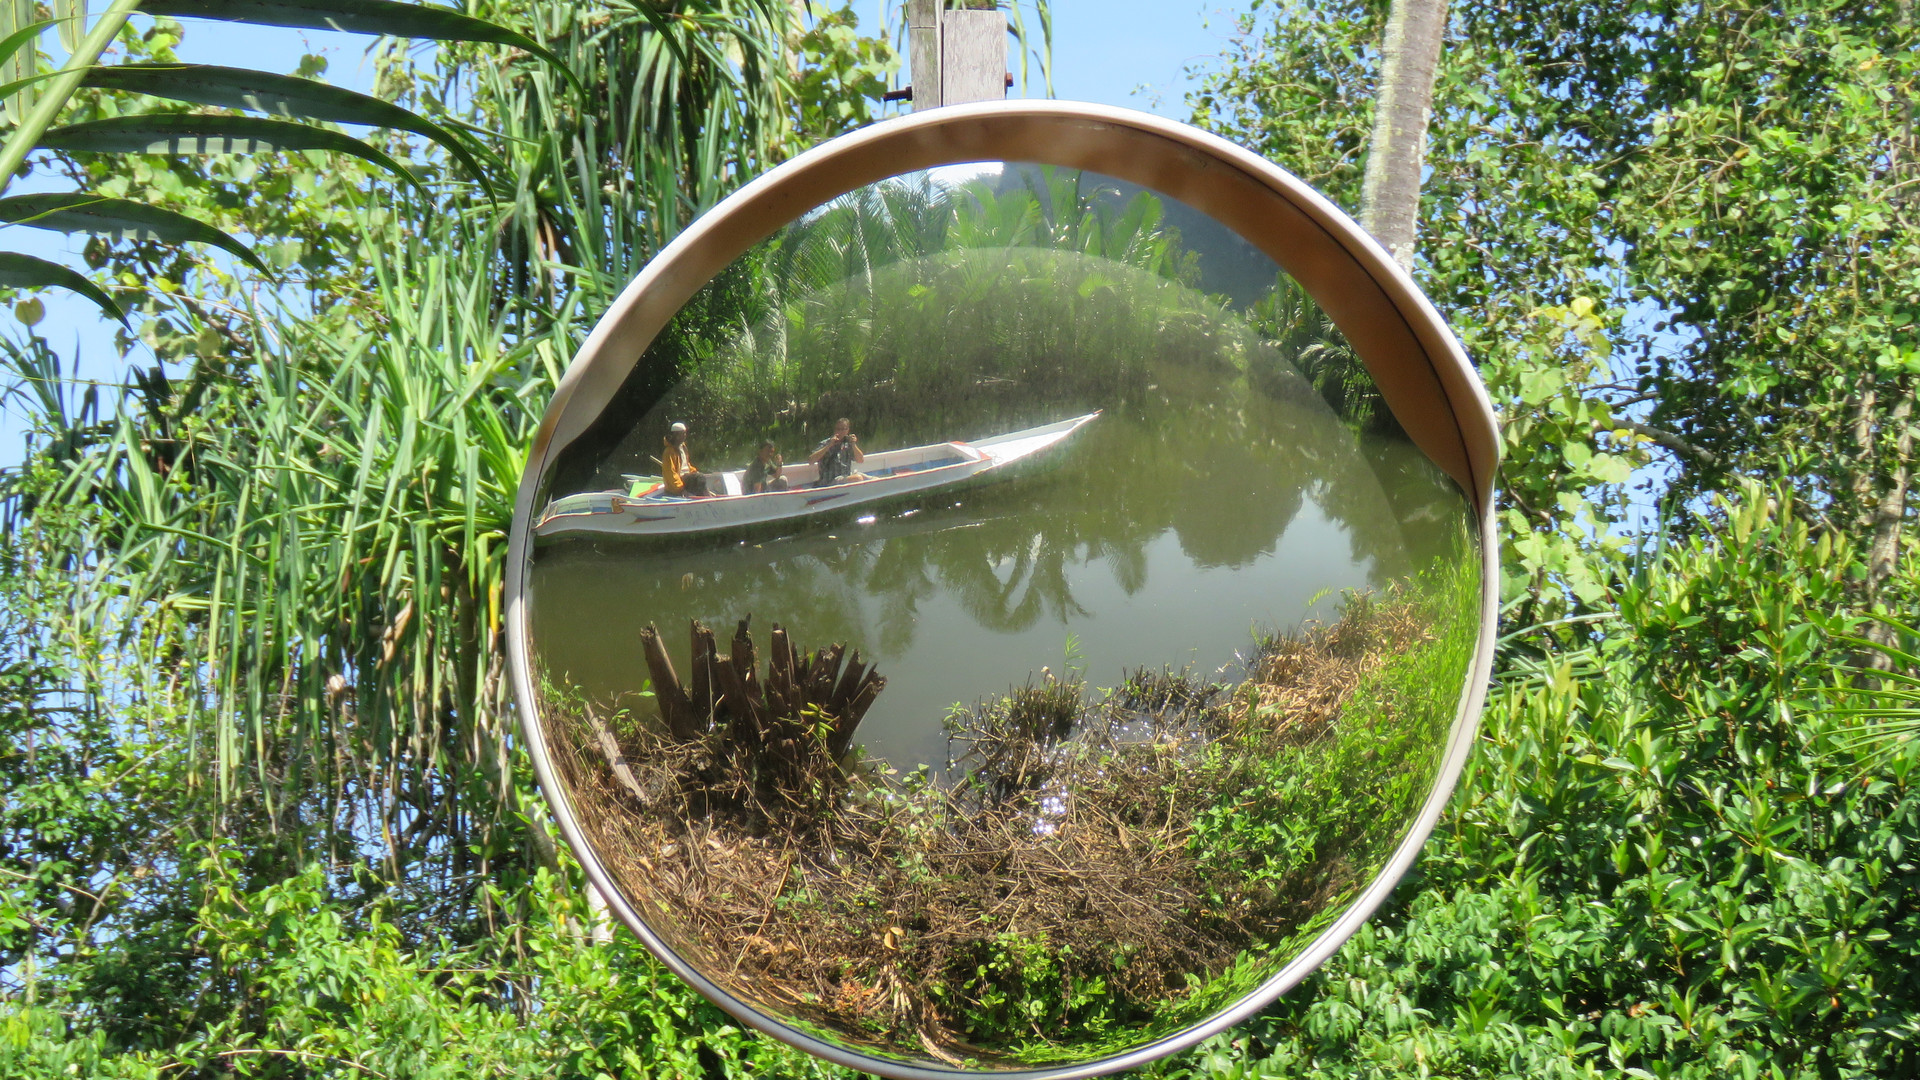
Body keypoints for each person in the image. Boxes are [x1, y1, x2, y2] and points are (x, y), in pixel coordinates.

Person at [808, 417, 865, 487]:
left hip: (845, 478)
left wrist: (853, 444)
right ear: (834, 429)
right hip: (830, 481)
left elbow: (860, 460)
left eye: (843, 429)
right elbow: (811, 460)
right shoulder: (825, 443)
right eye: (838, 429)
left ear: (847, 430)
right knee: (858, 478)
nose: (840, 432)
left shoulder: (848, 444)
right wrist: (829, 446)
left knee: (867, 477)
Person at [660, 422, 712, 497]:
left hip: (687, 477)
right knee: (699, 478)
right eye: (682, 434)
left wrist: (695, 472)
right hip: (679, 481)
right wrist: (681, 489)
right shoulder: (669, 452)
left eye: (685, 433)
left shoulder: (683, 447)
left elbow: (687, 465)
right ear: (675, 435)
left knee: (700, 477)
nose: (685, 436)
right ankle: (706, 498)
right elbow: (671, 474)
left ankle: (706, 496)